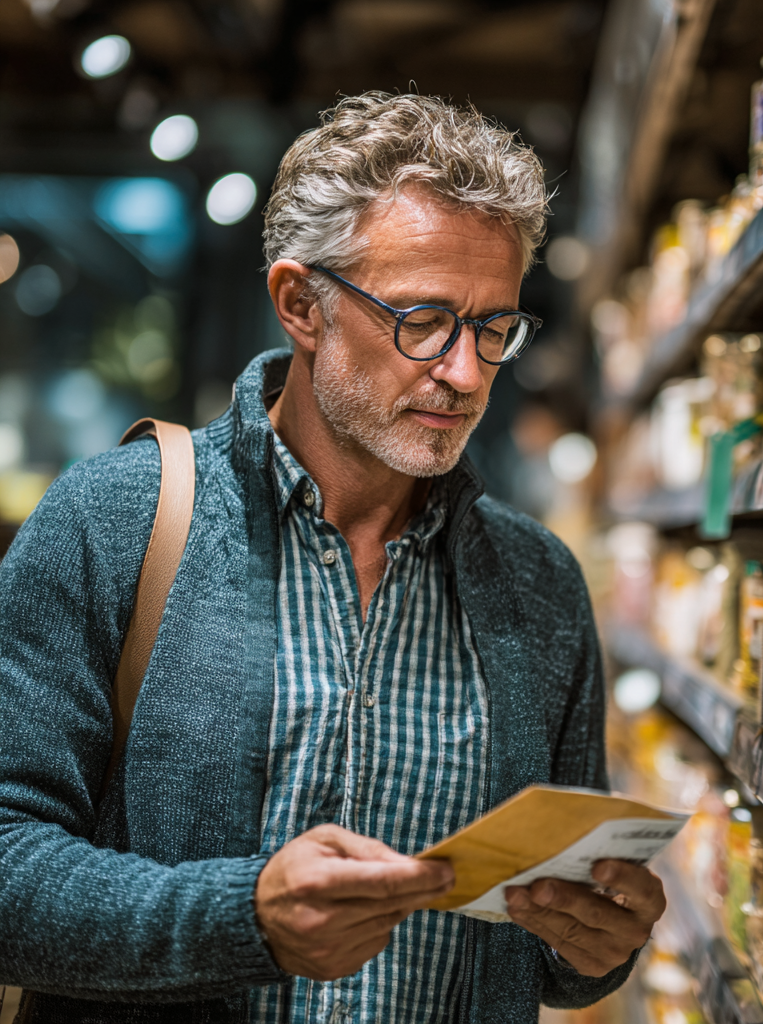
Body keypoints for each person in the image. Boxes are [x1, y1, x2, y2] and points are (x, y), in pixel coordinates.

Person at [0, 92, 666, 1024]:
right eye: (424, 321)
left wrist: (595, 945)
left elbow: (551, 945)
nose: (466, 374)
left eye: (492, 329)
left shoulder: (539, 587)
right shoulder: (114, 522)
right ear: (300, 304)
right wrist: (245, 919)